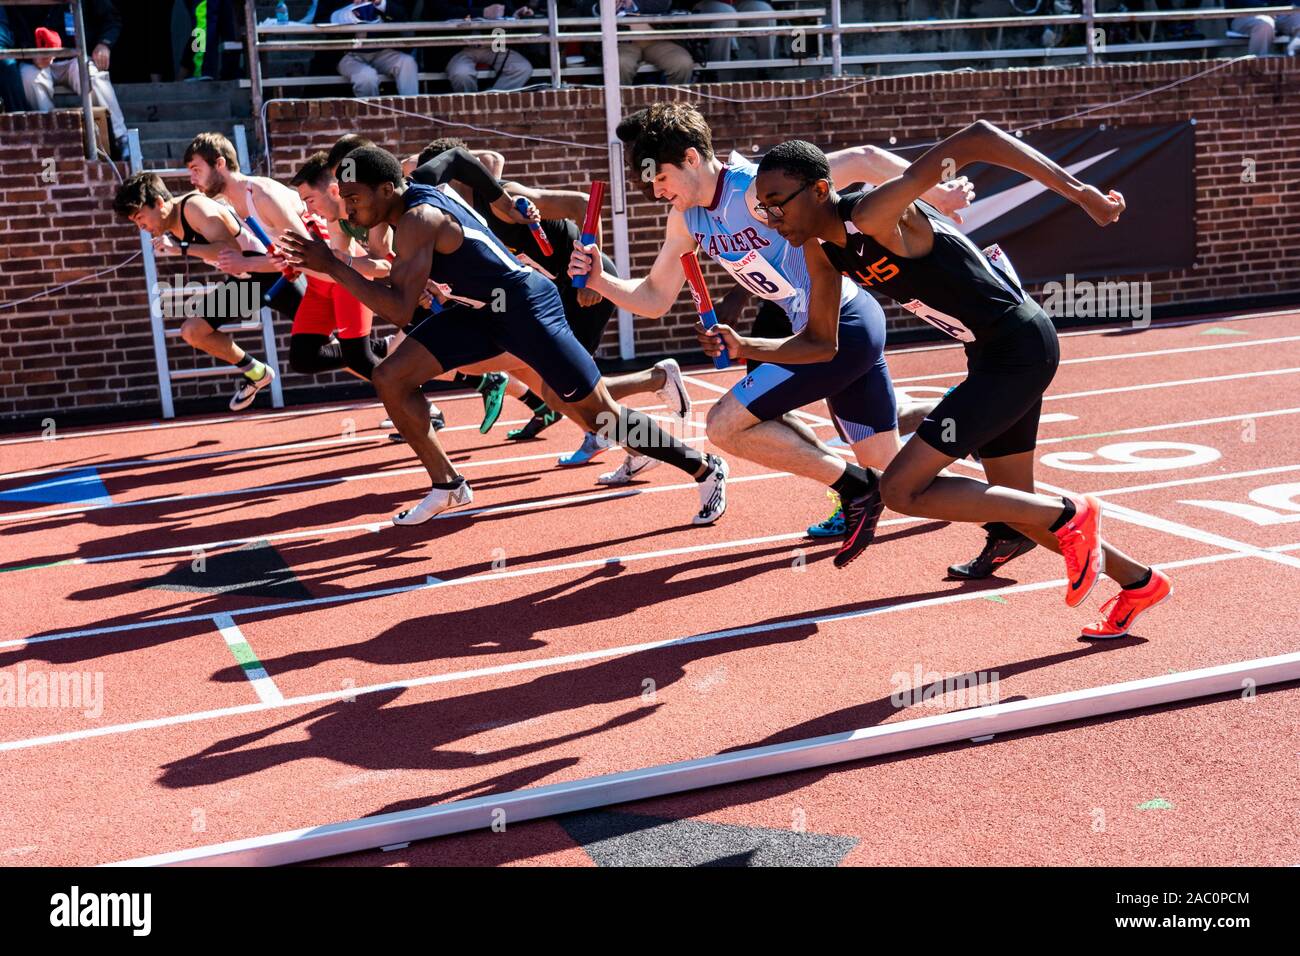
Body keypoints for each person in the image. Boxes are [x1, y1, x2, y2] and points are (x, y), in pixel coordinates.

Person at [755, 126, 1171, 637]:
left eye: (777, 204)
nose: (772, 220)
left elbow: (977, 139)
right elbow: (821, 342)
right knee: (1019, 509)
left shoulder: (872, 214)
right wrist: (745, 347)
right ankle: (1139, 581)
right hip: (990, 355)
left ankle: (1071, 512)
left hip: (1018, 349)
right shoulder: (824, 251)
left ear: (820, 190)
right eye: (763, 209)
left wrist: (1079, 193)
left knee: (901, 488)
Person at [570, 103, 972, 568]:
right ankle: (981, 459)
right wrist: (600, 280)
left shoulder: (754, 188)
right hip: (816, 333)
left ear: (691, 158)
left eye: (660, 179)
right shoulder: (686, 218)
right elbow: (655, 297)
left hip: (841, 327)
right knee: (898, 477)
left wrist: (936, 196)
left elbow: (863, 158)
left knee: (724, 425)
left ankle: (857, 489)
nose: (656, 192)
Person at [279, 146, 730, 527]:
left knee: (599, 418)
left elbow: (398, 307)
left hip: (526, 308)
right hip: (477, 311)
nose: (349, 209)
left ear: (386, 189)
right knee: (392, 377)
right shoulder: (420, 181)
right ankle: (448, 485)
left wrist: (333, 266)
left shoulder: (417, 218)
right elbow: (456, 156)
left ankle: (704, 467)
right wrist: (500, 201)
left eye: (354, 198)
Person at [410, 136, 693, 477]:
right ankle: (636, 419)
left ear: (456, 179)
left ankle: (651, 396)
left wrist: (591, 271)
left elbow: (582, 203)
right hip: (547, 295)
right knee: (560, 389)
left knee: (563, 391)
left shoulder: (506, 197)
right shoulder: (459, 219)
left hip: (581, 286)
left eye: (439, 186)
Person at [112, 171, 279, 410]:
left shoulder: (193, 208)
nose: (141, 227)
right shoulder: (171, 224)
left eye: (141, 218)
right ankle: (257, 372)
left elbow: (229, 251)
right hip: (247, 282)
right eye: (135, 223)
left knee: (317, 349)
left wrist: (181, 248)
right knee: (193, 331)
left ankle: (354, 363)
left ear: (159, 203)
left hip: (273, 273)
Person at [12, 2, 129, 159]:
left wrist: (104, 43)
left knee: (94, 77)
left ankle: (120, 139)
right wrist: (31, 52)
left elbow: (111, 18)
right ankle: (51, 141)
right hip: (39, 60)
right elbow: (14, 27)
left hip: (76, 57)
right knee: (28, 77)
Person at [314, 0, 420, 97]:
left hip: (382, 49)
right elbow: (319, 22)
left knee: (407, 63)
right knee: (366, 78)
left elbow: (403, 16)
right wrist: (344, 15)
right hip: (347, 52)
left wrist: (381, 3)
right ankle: (373, 116)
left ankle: (413, 113)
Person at [427, 1, 535, 93]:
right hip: (458, 48)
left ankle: (491, 104)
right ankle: (471, 108)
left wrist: (516, 14)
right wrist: (481, 12)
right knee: (462, 74)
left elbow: (505, 10)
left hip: (493, 45)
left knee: (522, 68)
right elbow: (439, 11)